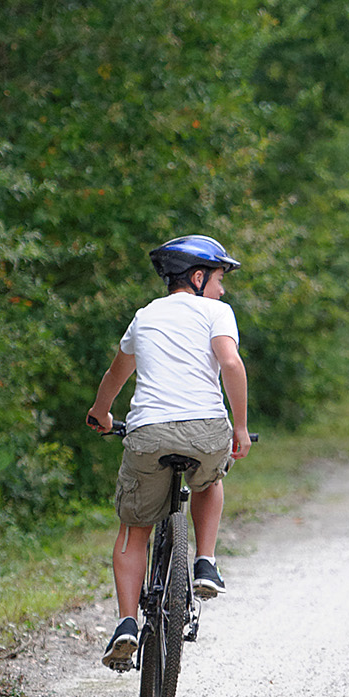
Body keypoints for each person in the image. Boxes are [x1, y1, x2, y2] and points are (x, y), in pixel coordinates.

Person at [86, 235, 254, 670]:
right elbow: (231, 364)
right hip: (206, 431)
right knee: (210, 481)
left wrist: (100, 413)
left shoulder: (144, 316)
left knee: (133, 528)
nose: (222, 289)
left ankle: (126, 624)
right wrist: (240, 427)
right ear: (198, 278)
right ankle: (204, 562)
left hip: (149, 432)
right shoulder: (217, 312)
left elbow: (116, 372)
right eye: (219, 279)